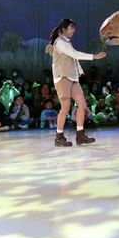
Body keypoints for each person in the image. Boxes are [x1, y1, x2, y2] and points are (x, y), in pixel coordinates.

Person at [46, 19, 106, 147]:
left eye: (74, 27)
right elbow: (75, 54)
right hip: (62, 77)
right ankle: (59, 137)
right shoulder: (59, 42)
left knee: (82, 104)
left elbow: (73, 58)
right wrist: (94, 56)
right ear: (64, 29)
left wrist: (79, 71)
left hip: (73, 78)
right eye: (71, 27)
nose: (73, 30)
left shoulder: (67, 42)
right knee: (65, 107)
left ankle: (80, 135)